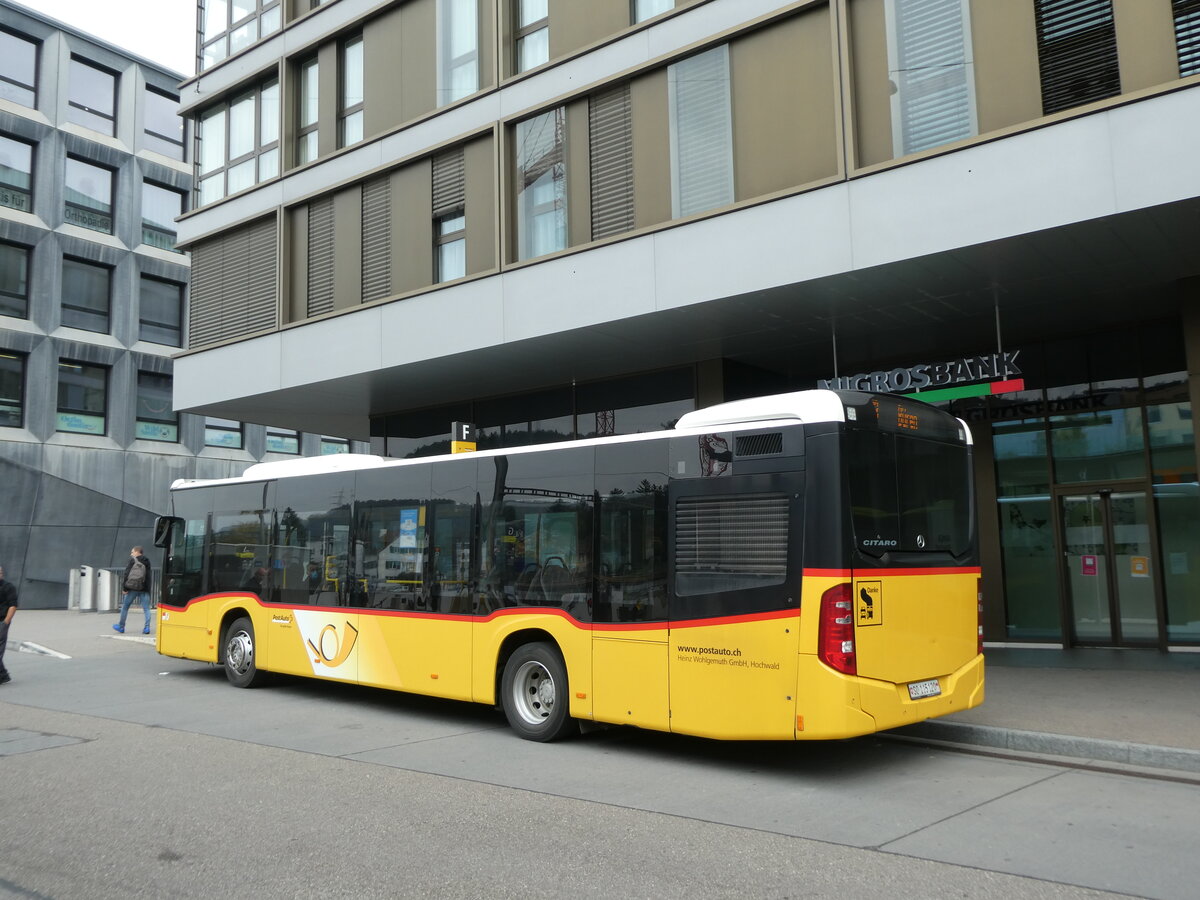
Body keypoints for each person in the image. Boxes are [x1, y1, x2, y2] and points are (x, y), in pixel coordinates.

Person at [114, 547, 153, 635]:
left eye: (132, 552)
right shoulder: (147, 561)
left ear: (137, 552)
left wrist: (125, 588)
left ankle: (121, 627)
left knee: (125, 607)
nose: (131, 554)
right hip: (144, 589)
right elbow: (148, 576)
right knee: (146, 609)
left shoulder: (132, 561)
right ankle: (147, 627)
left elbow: (126, 574)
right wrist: (148, 589)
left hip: (132, 588)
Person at [0, 564, 16, 685]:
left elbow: (13, 605)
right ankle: (3, 675)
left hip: (2, 621)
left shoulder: (8, 587)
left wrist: (6, 622)